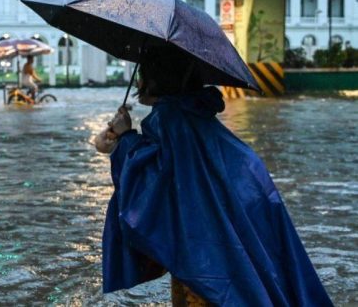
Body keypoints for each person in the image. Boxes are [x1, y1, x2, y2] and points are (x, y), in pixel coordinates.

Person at [94, 47, 332, 306]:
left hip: (202, 241)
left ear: (156, 78)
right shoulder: (196, 113)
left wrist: (125, 138)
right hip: (248, 203)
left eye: (142, 73)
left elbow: (153, 183)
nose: (138, 82)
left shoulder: (169, 118)